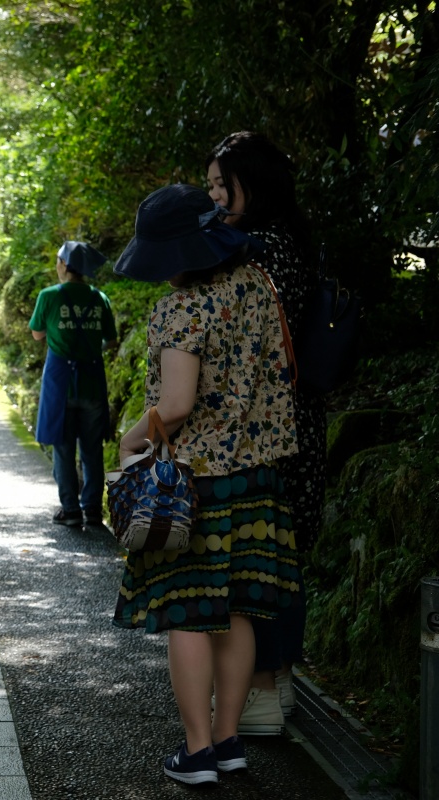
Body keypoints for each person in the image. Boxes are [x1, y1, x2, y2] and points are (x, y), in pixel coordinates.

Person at [111, 184, 300, 785]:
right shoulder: (258, 289)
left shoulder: (182, 308)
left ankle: (196, 754)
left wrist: (131, 440)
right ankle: (228, 742)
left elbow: (177, 402)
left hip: (193, 483)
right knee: (240, 610)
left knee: (190, 615)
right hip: (257, 480)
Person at [206, 131, 325, 726]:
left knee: (259, 555)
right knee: (284, 554)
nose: (213, 197)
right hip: (301, 414)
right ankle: (276, 684)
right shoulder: (297, 242)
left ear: (251, 184)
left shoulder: (253, 251)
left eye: (220, 185)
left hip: (261, 423)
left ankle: (261, 690)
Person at [28, 241, 118, 528]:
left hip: (60, 384)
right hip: (92, 382)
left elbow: (37, 334)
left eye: (57, 261)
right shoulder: (99, 298)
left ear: (65, 265)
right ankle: (92, 509)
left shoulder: (49, 296)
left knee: (63, 447)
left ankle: (70, 509)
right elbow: (111, 340)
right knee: (92, 448)